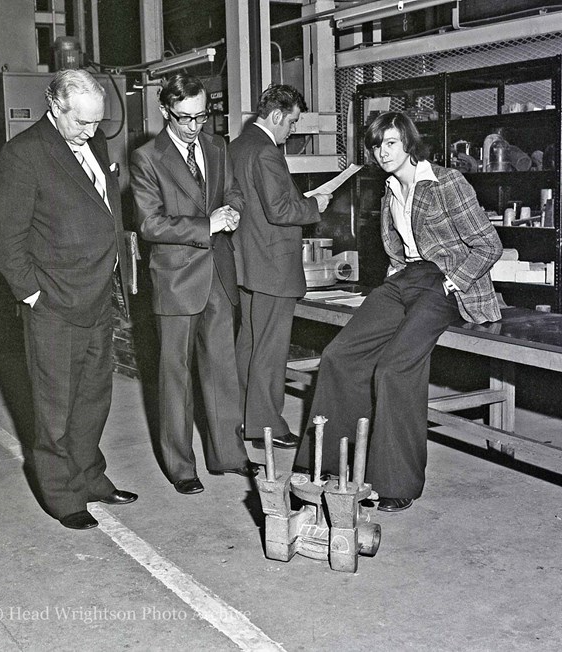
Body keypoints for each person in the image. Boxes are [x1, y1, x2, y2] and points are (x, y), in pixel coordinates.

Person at [295, 111, 503, 512]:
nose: (382, 152)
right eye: (376, 145)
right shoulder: (390, 188)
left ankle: (395, 483)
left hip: (445, 281)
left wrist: (451, 282)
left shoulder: (446, 182)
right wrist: (395, 278)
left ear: (408, 143)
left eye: (390, 143)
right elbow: (399, 249)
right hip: (405, 279)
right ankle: (327, 466)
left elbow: (488, 246)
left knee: (393, 368)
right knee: (339, 356)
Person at [0, 69, 138, 531]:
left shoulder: (92, 143)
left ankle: (90, 476)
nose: (93, 132)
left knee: (93, 398)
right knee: (55, 406)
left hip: (98, 295)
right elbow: (7, 239)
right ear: (56, 109)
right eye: (83, 123)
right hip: (54, 302)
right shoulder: (24, 154)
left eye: (98, 122)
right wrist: (34, 295)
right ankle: (61, 494)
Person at [130, 73, 257, 495]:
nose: (193, 126)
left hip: (218, 274)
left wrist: (233, 210)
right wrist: (208, 224)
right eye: (184, 118)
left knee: (223, 370)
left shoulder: (217, 147)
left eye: (201, 116)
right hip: (177, 280)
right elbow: (150, 223)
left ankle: (228, 454)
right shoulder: (147, 157)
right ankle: (180, 465)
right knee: (175, 377)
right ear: (166, 112)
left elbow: (234, 191)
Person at [229, 84, 332, 450]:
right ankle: (266, 426)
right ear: (276, 116)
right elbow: (280, 210)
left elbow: (258, 205)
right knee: (270, 350)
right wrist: (315, 204)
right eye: (291, 122)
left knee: (249, 343)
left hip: (247, 261)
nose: (292, 130)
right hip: (272, 265)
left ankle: (243, 418)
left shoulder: (237, 147)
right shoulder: (266, 152)